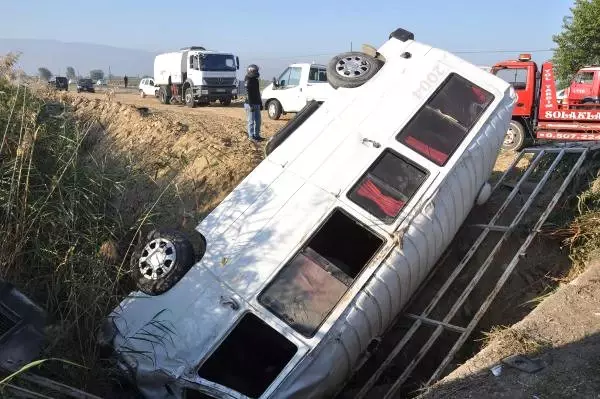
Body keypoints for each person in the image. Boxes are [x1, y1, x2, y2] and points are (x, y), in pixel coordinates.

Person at [244, 64, 264, 142]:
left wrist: (260, 103)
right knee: (251, 121)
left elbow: (257, 92)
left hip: (256, 103)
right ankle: (251, 136)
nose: (256, 72)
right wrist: (250, 105)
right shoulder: (248, 80)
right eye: (255, 71)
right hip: (249, 104)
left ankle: (257, 135)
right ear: (250, 71)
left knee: (258, 121)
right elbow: (248, 94)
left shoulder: (255, 79)